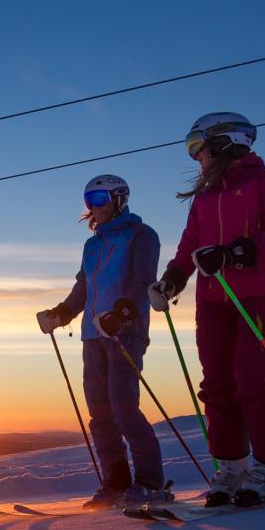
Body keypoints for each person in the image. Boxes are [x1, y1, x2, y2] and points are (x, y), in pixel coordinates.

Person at [148, 112, 265, 507]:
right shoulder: (204, 196)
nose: (196, 157)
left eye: (198, 146)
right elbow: (189, 244)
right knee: (217, 387)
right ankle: (232, 467)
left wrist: (236, 253)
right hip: (212, 301)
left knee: (252, 381)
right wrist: (173, 279)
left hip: (258, 295)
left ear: (226, 141)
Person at [37, 175, 167, 508]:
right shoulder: (92, 245)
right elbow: (83, 289)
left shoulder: (141, 235)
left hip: (125, 331)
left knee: (124, 409)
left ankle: (150, 483)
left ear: (119, 199)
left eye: (99, 198)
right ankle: (116, 482)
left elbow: (142, 282)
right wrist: (61, 313)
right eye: (88, 200)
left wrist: (122, 315)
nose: (93, 206)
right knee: (100, 413)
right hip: (93, 335)